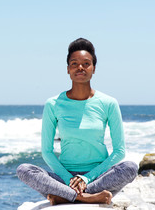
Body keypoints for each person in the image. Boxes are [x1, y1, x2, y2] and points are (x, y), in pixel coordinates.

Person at [17, 38, 138, 205]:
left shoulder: (108, 103)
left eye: (86, 63)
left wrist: (86, 178)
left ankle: (65, 196)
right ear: (67, 69)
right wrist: (69, 179)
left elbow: (119, 151)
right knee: (24, 170)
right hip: (64, 176)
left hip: (98, 177)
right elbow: (47, 151)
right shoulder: (53, 104)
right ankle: (86, 197)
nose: (80, 67)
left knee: (130, 167)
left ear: (94, 68)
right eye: (74, 63)